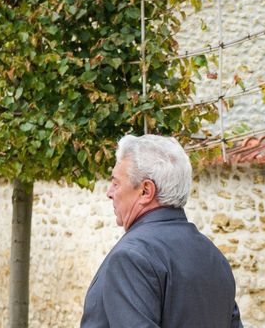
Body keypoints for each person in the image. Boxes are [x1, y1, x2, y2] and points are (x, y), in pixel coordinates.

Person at [81, 134, 243, 327]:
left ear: (146, 191)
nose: (109, 192)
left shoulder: (132, 256)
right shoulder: (213, 256)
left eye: (116, 183)